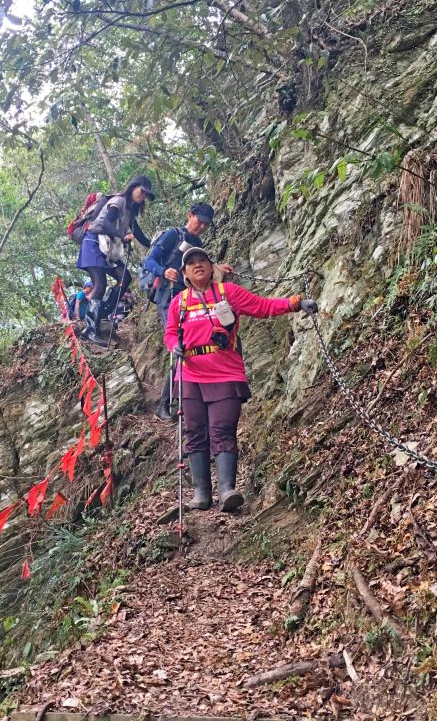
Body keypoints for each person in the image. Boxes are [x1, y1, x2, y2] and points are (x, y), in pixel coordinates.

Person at [164, 247, 317, 512]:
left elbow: (263, 306)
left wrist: (295, 303)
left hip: (225, 372)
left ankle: (226, 491)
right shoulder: (180, 302)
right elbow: (169, 333)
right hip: (189, 374)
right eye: (191, 263)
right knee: (195, 432)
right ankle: (201, 494)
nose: (198, 265)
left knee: (222, 429)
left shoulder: (228, 293)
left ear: (212, 268)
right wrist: (172, 345)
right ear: (185, 273)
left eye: (203, 261)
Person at [143, 202, 232, 421]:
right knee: (179, 346)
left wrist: (219, 268)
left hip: (187, 300)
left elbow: (200, 271)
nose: (201, 226)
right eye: (199, 221)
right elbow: (149, 260)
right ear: (190, 215)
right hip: (167, 297)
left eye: (206, 224)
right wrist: (164, 271)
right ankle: (165, 405)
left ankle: (179, 401)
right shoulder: (172, 235)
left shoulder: (197, 242)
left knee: (188, 346)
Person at [77, 175, 154, 346]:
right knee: (100, 284)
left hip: (108, 248)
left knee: (125, 278)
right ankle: (90, 330)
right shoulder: (119, 201)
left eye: (145, 195)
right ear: (133, 187)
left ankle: (103, 313)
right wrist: (122, 235)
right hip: (94, 243)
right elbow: (105, 223)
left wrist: (154, 245)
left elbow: (137, 233)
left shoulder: (131, 211)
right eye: (141, 192)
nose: (142, 196)